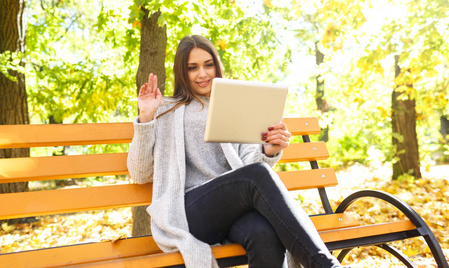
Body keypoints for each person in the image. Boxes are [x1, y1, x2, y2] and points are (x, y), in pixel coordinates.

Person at [127, 35, 343, 268]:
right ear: (182, 72)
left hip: (233, 209)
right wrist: (146, 119)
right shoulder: (166, 108)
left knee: (265, 235)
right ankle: (324, 265)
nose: (202, 74)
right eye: (193, 68)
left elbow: (250, 164)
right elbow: (139, 173)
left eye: (208, 65)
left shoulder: (236, 103)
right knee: (257, 175)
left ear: (216, 66)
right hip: (187, 212)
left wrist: (268, 151)